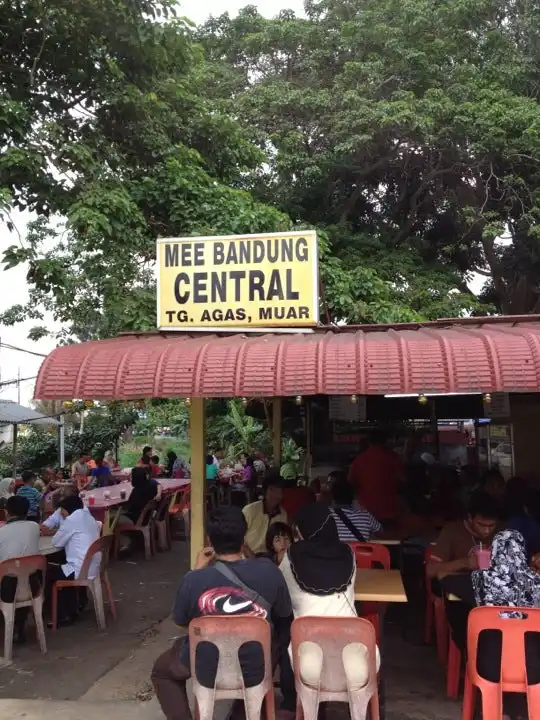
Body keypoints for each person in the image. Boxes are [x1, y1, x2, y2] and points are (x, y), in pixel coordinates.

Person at [151, 505, 296, 720]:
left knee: (162, 672)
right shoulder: (269, 571)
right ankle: (245, 708)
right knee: (275, 640)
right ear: (244, 536)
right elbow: (285, 617)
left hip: (207, 665)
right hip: (256, 664)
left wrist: (196, 571)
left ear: (210, 540)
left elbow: (180, 621)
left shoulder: (194, 579)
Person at [279, 503, 380, 687]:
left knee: (284, 622)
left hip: (309, 667)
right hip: (356, 665)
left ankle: (289, 700)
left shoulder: (291, 556)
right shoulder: (348, 553)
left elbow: (281, 591)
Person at [48, 495, 101, 625]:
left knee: (48, 573)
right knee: (61, 566)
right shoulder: (88, 517)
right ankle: (75, 606)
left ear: (68, 509)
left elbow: (56, 542)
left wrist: (60, 529)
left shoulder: (71, 520)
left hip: (81, 570)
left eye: (63, 512)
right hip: (93, 566)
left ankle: (63, 615)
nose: (62, 515)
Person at [427, 491, 500, 580]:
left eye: (491, 526)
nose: (487, 531)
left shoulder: (501, 532)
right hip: (460, 589)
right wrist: (467, 563)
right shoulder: (452, 532)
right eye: (481, 525)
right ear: (470, 518)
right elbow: (430, 571)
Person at [0, 496, 41, 643]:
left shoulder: (2, 532)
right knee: (23, 575)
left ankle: (9, 628)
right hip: (32, 587)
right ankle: (19, 627)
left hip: (8, 590)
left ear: (6, 512)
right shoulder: (34, 527)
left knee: (9, 577)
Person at [348, 430, 404, 525]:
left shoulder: (359, 460)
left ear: (369, 442)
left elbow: (350, 482)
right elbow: (403, 479)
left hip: (365, 512)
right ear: (386, 441)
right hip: (389, 512)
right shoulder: (393, 457)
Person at [242, 471, 288, 555]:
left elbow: (283, 540)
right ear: (265, 491)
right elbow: (238, 537)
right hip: (248, 556)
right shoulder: (250, 510)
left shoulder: (283, 514)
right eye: (272, 490)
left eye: (279, 491)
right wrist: (251, 556)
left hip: (270, 558)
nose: (276, 494)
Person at [329, 472, 382, 542]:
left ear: (333, 497)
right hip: (359, 553)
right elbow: (380, 531)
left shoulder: (326, 516)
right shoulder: (365, 514)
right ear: (353, 497)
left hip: (334, 552)